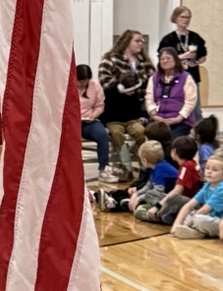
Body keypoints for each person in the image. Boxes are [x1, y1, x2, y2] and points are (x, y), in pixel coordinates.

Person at [98, 29, 156, 179]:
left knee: (141, 132)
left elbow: (151, 85)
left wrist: (144, 111)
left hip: (137, 108)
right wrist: (125, 88)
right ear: (126, 41)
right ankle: (125, 166)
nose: (141, 44)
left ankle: (145, 165)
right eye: (137, 40)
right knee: (117, 134)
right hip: (114, 109)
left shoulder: (145, 64)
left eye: (142, 41)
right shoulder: (110, 60)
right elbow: (105, 84)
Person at [158, 6, 207, 121]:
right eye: (183, 17)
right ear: (176, 18)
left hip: (192, 76)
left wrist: (197, 62)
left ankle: (198, 134)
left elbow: (203, 56)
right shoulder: (168, 39)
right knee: (175, 106)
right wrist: (181, 57)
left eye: (188, 17)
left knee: (196, 109)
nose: (186, 20)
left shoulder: (195, 37)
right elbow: (163, 58)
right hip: (173, 77)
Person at [143, 135, 201, 225]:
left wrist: (157, 206)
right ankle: (167, 215)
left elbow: (177, 191)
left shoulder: (187, 166)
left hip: (191, 203)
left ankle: (159, 214)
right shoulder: (187, 164)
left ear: (174, 151)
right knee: (150, 194)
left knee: (173, 198)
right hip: (182, 202)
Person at [145, 47, 197, 140]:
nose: (165, 61)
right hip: (157, 120)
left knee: (172, 142)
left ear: (176, 60)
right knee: (153, 143)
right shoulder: (154, 78)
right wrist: (154, 116)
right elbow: (149, 98)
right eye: (162, 59)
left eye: (168, 58)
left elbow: (190, 101)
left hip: (180, 121)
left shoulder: (186, 77)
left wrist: (179, 118)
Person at [171, 148, 223, 239]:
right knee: (190, 214)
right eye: (207, 168)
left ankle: (196, 231)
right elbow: (189, 205)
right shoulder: (207, 185)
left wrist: (186, 225)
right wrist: (175, 226)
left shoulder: (221, 188)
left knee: (198, 219)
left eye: (215, 170)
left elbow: (204, 210)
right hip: (208, 218)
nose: (209, 172)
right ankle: (198, 233)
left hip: (218, 222)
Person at [77, 63, 116, 183]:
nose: (83, 85)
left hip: (89, 121)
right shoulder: (66, 85)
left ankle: (104, 168)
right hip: (73, 121)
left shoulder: (95, 86)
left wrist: (92, 116)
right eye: (80, 82)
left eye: (85, 82)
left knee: (102, 135)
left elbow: (100, 106)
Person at [127, 141, 178, 216]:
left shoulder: (160, 168)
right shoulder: (153, 168)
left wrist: (139, 198)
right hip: (165, 196)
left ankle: (163, 212)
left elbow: (159, 191)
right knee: (148, 194)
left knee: (150, 195)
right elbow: (149, 185)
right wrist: (137, 194)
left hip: (172, 198)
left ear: (144, 160)